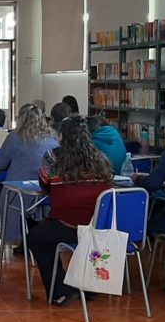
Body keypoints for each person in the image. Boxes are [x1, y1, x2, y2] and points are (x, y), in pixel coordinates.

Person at [27, 115, 114, 306]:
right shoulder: (101, 158)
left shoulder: (52, 157)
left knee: (36, 238)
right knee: (74, 236)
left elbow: (45, 185)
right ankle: (90, 289)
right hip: (96, 226)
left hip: (67, 224)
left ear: (61, 136)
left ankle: (60, 290)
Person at [0, 104, 59, 248]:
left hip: (19, 192)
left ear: (21, 119)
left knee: (0, 194)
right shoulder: (53, 138)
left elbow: (0, 164)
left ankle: (16, 240)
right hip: (47, 191)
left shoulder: (14, 137)